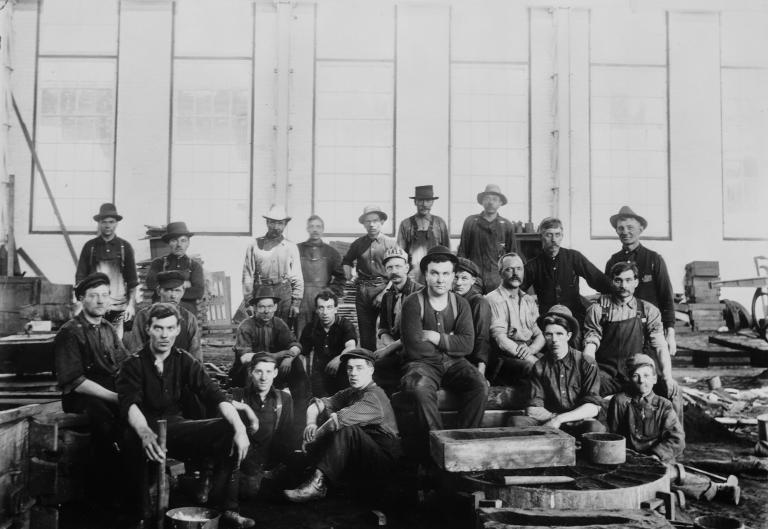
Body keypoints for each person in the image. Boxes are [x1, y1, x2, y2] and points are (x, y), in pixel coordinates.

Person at [117, 303, 254, 529]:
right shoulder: (133, 364)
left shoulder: (184, 359)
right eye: (159, 328)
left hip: (176, 429)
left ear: (178, 329)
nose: (165, 335)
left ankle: (224, 508)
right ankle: (141, 516)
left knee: (231, 427)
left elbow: (215, 395)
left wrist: (239, 429)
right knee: (131, 440)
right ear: (148, 329)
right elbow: (129, 405)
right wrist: (145, 433)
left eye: (170, 328)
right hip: (143, 431)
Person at [607, 354, 735, 503]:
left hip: (658, 460)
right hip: (631, 462)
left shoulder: (664, 405)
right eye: (636, 376)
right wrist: (626, 458)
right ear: (629, 379)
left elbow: (677, 439)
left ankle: (713, 489)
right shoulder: (620, 402)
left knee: (669, 475)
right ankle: (673, 494)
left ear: (654, 379)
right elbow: (614, 436)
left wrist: (656, 456)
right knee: (627, 481)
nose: (642, 381)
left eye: (646, 375)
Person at [399, 246, 488, 457]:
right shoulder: (413, 303)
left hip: (455, 363)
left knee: (480, 385)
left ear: (452, 276)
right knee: (418, 388)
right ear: (425, 275)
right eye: (435, 273)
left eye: (446, 274)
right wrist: (450, 341)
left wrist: (435, 337)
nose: (441, 280)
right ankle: (438, 449)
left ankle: (463, 446)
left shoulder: (461, 304)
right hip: (422, 365)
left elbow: (467, 344)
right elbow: (415, 348)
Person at [283, 348, 400, 503]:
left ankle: (318, 485)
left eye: (359, 368)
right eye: (350, 368)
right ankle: (297, 469)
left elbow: (336, 422)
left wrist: (313, 439)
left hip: (383, 465)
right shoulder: (352, 392)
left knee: (346, 428)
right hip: (362, 457)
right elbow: (318, 404)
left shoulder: (375, 397)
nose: (353, 373)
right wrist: (310, 425)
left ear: (371, 370)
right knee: (326, 416)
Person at [54, 272, 128, 500]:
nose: (100, 300)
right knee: (105, 424)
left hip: (109, 391)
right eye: (94, 295)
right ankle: (101, 495)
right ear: (81, 299)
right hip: (82, 397)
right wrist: (115, 397)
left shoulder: (107, 328)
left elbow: (125, 364)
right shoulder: (69, 332)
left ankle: (130, 485)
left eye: (105, 295)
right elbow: (75, 381)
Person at [583, 261, 682, 420]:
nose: (623, 285)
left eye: (628, 280)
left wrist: (667, 377)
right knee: (587, 394)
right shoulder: (598, 309)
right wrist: (589, 370)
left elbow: (660, 346)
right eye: (618, 280)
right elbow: (591, 341)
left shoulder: (648, 310)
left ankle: (674, 432)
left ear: (636, 282)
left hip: (636, 372)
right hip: (606, 372)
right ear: (612, 281)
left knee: (673, 391)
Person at [509, 308, 605, 438]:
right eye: (549, 334)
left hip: (578, 421)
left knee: (596, 428)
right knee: (516, 422)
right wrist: (554, 418)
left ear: (568, 336)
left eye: (559, 334)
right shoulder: (539, 366)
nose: (554, 339)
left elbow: (593, 407)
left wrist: (560, 419)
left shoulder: (586, 362)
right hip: (548, 421)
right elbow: (532, 409)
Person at [605, 206, 677, 357]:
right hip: (621, 331)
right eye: (620, 228)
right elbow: (607, 297)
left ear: (641, 229)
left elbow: (666, 297)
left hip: (649, 330)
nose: (625, 232)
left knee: (650, 370)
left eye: (630, 227)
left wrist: (670, 333)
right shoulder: (613, 261)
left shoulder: (654, 259)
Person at [522, 217, 611, 326]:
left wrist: (608, 292)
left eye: (557, 234)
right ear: (541, 237)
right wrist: (526, 298)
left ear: (562, 236)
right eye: (549, 235)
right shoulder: (533, 265)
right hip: (547, 320)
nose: (554, 240)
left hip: (575, 318)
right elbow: (517, 288)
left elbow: (596, 277)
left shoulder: (574, 257)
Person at [231, 353, 295, 499]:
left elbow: (287, 436)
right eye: (258, 371)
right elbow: (218, 402)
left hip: (269, 463)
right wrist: (246, 408)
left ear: (275, 373)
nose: (264, 377)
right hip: (243, 461)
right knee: (247, 493)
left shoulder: (284, 399)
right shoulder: (238, 395)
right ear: (250, 372)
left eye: (268, 372)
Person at [291, 290, 358, 430]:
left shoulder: (345, 325)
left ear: (336, 309)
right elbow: (303, 352)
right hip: (321, 373)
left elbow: (351, 347)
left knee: (345, 406)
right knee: (320, 405)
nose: (325, 312)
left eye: (329, 307)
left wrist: (338, 359)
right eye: (321, 308)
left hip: (343, 373)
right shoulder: (311, 327)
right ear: (316, 310)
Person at [75, 203, 138, 339]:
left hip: (118, 308)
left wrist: (131, 306)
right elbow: (80, 278)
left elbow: (132, 281)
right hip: (95, 305)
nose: (108, 225)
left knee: (115, 343)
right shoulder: (90, 246)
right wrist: (80, 304)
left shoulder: (125, 247)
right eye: (104, 222)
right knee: (93, 341)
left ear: (116, 223)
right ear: (99, 223)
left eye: (111, 222)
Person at [342, 205, 398, 351]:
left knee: (389, 331)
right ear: (363, 224)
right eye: (368, 221)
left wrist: (385, 292)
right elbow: (347, 260)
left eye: (375, 221)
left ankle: (388, 363)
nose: (372, 224)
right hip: (363, 292)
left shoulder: (391, 243)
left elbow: (398, 272)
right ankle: (368, 363)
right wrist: (349, 274)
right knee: (366, 336)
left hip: (385, 291)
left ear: (382, 222)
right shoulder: (358, 244)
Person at [485, 253, 545, 385]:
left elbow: (540, 334)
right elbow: (500, 339)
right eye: (509, 269)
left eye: (519, 269)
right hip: (504, 358)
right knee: (535, 368)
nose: (515, 273)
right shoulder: (493, 299)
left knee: (556, 364)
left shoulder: (528, 300)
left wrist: (532, 350)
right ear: (500, 273)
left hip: (527, 350)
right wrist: (529, 357)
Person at [230, 284, 301, 388]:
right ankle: (252, 396)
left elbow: (295, 345)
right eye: (262, 307)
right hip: (249, 372)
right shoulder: (246, 326)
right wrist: (276, 356)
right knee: (250, 367)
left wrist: (289, 358)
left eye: (270, 306)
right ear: (255, 308)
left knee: (296, 363)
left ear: (275, 307)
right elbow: (245, 358)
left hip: (272, 369)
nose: (266, 311)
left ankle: (302, 398)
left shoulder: (279, 323)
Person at [242, 204, 303, 325]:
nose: (276, 227)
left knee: (282, 328)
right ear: (267, 223)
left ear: (285, 224)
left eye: (280, 223)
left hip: (283, 293)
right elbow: (247, 276)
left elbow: (297, 277)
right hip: (261, 292)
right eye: (272, 222)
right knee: (262, 329)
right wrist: (248, 302)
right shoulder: (254, 245)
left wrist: (296, 303)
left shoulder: (291, 247)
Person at [374, 247, 423, 392]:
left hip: (417, 351)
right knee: (375, 367)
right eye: (389, 268)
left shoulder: (420, 293)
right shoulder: (387, 296)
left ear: (407, 268)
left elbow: (419, 332)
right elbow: (383, 328)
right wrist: (389, 345)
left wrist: (390, 348)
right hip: (396, 350)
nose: (394, 271)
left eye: (398, 266)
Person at [124, 271, 201, 361]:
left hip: (181, 368)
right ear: (158, 291)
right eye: (168, 290)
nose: (173, 296)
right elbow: (136, 350)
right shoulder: (143, 316)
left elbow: (195, 354)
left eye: (177, 290)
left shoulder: (189, 318)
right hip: (150, 367)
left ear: (183, 292)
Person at [457, 184, 518, 293]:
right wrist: (463, 276)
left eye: (495, 199)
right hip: (474, 277)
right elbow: (462, 251)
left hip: (497, 279)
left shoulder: (506, 225)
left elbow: (512, 256)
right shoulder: (470, 222)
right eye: (487, 198)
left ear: (500, 203)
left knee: (496, 303)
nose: (491, 202)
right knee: (473, 301)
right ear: (482, 201)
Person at [296, 215, 346, 335]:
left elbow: (341, 277)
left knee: (322, 332)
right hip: (302, 298)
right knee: (301, 333)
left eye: (318, 226)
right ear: (307, 229)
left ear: (323, 229)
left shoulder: (331, 252)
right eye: (312, 226)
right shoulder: (297, 249)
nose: (315, 230)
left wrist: (330, 293)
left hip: (323, 297)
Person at [145, 221, 205, 315]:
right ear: (169, 243)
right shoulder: (158, 263)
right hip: (162, 312)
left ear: (188, 243)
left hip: (186, 312)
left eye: (183, 240)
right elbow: (151, 284)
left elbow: (198, 292)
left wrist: (166, 288)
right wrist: (183, 285)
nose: (179, 245)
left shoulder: (194, 266)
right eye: (174, 240)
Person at [396, 185, 450, 284]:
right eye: (420, 200)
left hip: (436, 273)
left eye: (428, 201)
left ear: (432, 202)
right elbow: (400, 254)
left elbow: (447, 251)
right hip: (413, 274)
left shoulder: (440, 223)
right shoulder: (406, 224)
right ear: (415, 202)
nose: (424, 204)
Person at [453, 257, 491, 377]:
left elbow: (482, 338)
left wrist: (480, 371)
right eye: (455, 277)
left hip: (470, 360)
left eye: (464, 278)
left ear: (473, 281)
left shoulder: (479, 302)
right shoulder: (449, 298)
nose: (458, 283)